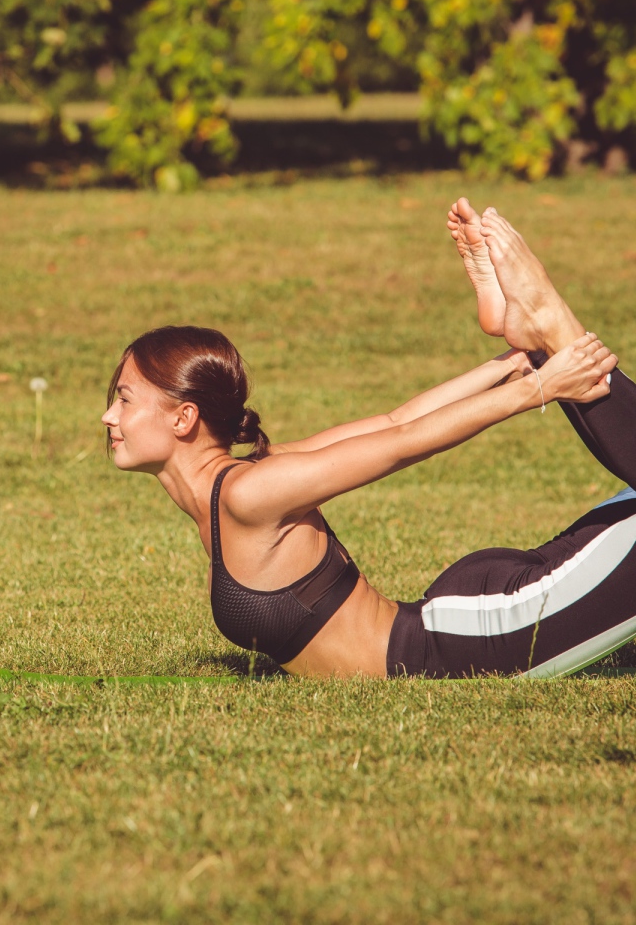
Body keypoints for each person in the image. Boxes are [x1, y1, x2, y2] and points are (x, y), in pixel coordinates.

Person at [101, 199, 636, 678]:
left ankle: (547, 324)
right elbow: (393, 422)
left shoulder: (249, 493)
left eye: (124, 399)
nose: (108, 416)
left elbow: (404, 439)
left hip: (486, 639)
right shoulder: (248, 481)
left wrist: (537, 384)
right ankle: (537, 333)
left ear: (183, 418)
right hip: (462, 623)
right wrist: (515, 365)